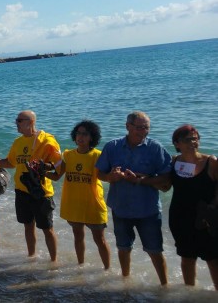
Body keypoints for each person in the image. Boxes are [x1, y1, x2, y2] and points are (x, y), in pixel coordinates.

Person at [96, 111, 171, 285]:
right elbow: (100, 173)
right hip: (121, 208)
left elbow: (167, 178)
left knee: (155, 250)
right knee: (123, 248)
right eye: (139, 127)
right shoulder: (112, 147)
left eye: (146, 128)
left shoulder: (155, 148)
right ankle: (125, 282)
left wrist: (140, 180)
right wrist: (110, 177)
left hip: (148, 209)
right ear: (128, 127)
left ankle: (164, 286)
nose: (143, 131)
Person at [0, 110, 62, 261]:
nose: (16, 123)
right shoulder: (18, 142)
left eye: (19, 120)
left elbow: (59, 164)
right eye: (16, 120)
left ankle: (53, 262)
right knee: (28, 226)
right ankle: (31, 257)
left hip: (41, 191)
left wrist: (43, 166)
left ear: (30, 122)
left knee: (47, 228)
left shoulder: (46, 140)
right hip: (22, 190)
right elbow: (10, 162)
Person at [45, 120, 110, 269]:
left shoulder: (97, 156)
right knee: (78, 237)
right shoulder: (68, 155)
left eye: (85, 134)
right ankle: (80, 266)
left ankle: (107, 270)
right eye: (78, 134)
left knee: (100, 239)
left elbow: (106, 176)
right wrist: (41, 172)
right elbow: (56, 176)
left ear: (91, 137)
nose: (80, 137)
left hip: (93, 205)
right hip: (74, 204)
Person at [168, 124, 218, 289]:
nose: (193, 142)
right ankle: (190, 295)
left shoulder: (211, 162)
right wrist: (139, 179)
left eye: (195, 139)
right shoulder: (174, 161)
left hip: (207, 219)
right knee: (187, 258)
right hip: (180, 218)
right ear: (177, 143)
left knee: (213, 259)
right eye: (187, 139)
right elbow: (162, 182)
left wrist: (212, 208)